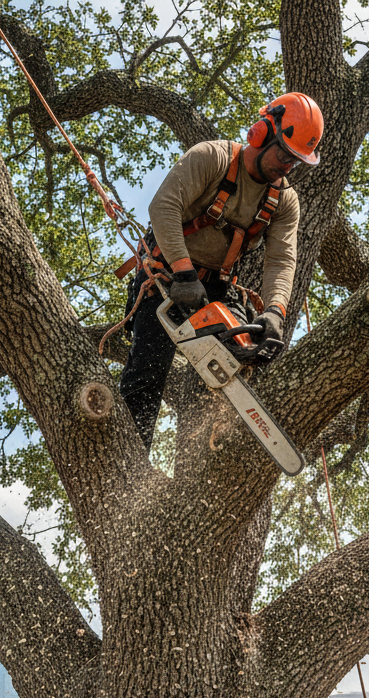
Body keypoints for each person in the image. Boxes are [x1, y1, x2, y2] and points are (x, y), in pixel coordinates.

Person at [118, 92, 324, 451]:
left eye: (296, 161)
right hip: (167, 273)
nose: (287, 166)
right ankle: (129, 466)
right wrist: (183, 273)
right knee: (148, 371)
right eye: (284, 155)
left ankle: (217, 450)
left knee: (246, 354)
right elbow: (163, 206)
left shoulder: (285, 201)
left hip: (218, 286)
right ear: (261, 134)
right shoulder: (211, 157)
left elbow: (281, 259)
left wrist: (275, 311)